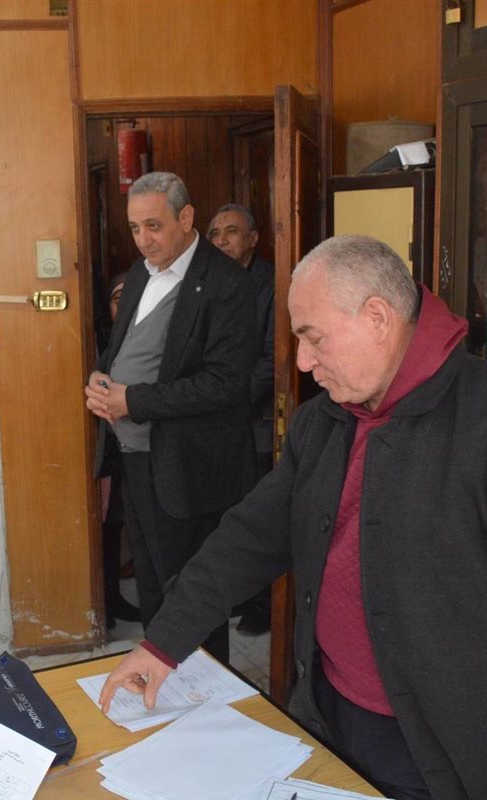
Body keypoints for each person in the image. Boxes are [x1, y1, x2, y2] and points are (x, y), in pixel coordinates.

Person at [99, 235, 487, 800]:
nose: (303, 361)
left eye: (313, 337)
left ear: (377, 318)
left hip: (448, 755)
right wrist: (164, 642)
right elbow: (248, 539)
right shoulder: (323, 422)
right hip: (329, 717)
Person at [85, 171, 255, 664]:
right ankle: (160, 679)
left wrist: (132, 402)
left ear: (186, 217)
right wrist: (100, 378)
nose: (143, 240)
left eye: (154, 226)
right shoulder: (140, 273)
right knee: (153, 585)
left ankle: (205, 691)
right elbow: (120, 346)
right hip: (135, 457)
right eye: (135, 228)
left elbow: (225, 383)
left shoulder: (227, 283)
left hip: (188, 467)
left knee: (191, 593)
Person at [207, 203, 275, 636]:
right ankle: (238, 594)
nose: (221, 241)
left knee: (259, 516)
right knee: (226, 515)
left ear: (253, 238)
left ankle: (265, 603)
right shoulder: (207, 284)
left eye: (231, 232)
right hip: (216, 422)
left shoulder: (272, 284)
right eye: (214, 234)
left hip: (257, 418)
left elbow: (273, 359)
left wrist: (227, 400)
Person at [97, 271, 140, 629]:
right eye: (116, 298)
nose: (124, 304)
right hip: (108, 449)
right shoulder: (102, 344)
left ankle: (117, 599)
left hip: (141, 448)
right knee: (108, 521)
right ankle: (108, 600)